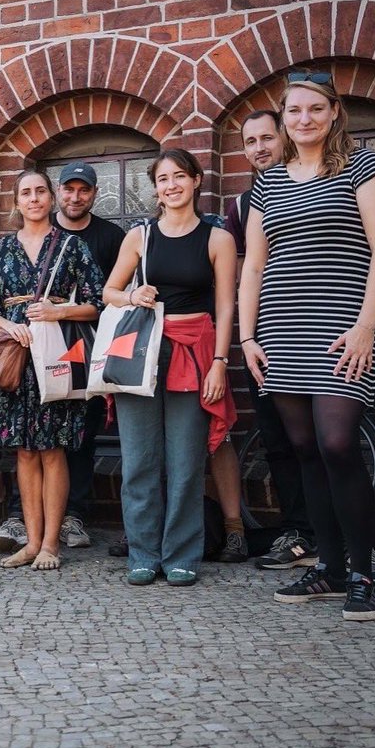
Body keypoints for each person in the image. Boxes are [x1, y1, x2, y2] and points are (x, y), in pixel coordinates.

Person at [238, 70, 375, 622]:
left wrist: (366, 327)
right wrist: (247, 336)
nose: (303, 119)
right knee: (305, 448)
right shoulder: (267, 183)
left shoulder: (363, 166)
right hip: (281, 331)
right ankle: (328, 567)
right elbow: (254, 265)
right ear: (284, 118)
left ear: (333, 113)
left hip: (343, 331)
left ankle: (362, 572)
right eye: (294, 110)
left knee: (337, 443)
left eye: (314, 109)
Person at [103, 149, 237, 586]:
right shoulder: (140, 237)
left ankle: (181, 555)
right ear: (156, 188)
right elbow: (108, 292)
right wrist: (132, 295)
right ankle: (143, 553)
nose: (172, 185)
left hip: (194, 353)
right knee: (139, 460)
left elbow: (225, 307)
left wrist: (219, 363)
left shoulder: (217, 238)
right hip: (141, 351)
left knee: (185, 462)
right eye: (163, 179)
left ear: (196, 180)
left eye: (180, 176)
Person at [0, 161, 123, 553]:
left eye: (40, 191)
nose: (34, 199)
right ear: (16, 202)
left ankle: (50, 544)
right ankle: (31, 543)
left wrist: (59, 311)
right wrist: (7, 324)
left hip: (56, 356)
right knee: (25, 451)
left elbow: (99, 303)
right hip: (15, 361)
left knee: (52, 449)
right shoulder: (3, 248)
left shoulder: (71, 246)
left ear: (51, 199)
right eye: (26, 193)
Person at [225, 111, 317, 570]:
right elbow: (243, 272)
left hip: (320, 328)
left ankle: (348, 538)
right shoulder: (242, 206)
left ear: (284, 138)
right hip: (265, 336)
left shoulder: (323, 182)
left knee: (329, 439)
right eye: (250, 141)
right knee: (279, 439)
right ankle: (299, 532)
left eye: (267, 137)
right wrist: (247, 335)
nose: (259, 148)